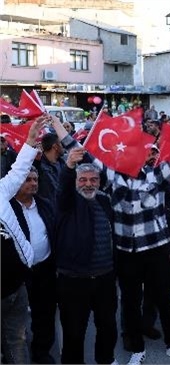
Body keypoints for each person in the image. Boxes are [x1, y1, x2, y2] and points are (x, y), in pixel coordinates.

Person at [50, 115, 170, 365]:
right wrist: (56, 125)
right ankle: (137, 349)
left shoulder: (157, 175)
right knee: (130, 302)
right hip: (126, 252)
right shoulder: (110, 177)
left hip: (156, 249)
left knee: (164, 299)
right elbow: (81, 152)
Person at [54, 148, 117, 364]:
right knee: (74, 333)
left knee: (108, 327)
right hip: (74, 280)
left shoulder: (104, 200)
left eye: (93, 179)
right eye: (83, 180)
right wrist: (70, 165)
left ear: (99, 182)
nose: (88, 184)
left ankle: (105, 361)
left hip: (104, 278)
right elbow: (64, 187)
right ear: (76, 181)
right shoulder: (67, 202)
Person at [1, 119, 46, 364]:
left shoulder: (1, 190)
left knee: (17, 341)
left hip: (16, 288)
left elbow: (19, 170)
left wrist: (30, 140)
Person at [10, 158, 57, 364]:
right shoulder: (7, 208)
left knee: (45, 312)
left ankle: (42, 351)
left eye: (35, 179)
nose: (33, 183)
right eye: (27, 179)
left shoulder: (45, 204)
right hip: (18, 272)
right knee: (15, 319)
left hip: (45, 268)